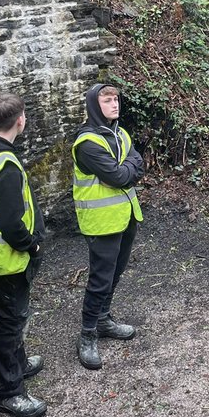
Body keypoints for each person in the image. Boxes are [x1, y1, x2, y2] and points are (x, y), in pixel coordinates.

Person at [0, 93, 47, 417]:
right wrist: (32, 245)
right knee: (9, 322)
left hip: (0, 256)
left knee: (13, 316)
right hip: (9, 258)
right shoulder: (5, 166)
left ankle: (18, 364)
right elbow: (10, 224)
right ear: (21, 120)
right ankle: (9, 391)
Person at [72, 83, 145, 371]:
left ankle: (103, 319)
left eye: (116, 99)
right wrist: (129, 169)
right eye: (107, 100)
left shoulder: (120, 133)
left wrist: (128, 169)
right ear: (94, 105)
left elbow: (137, 161)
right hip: (101, 221)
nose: (114, 104)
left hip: (126, 215)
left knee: (116, 271)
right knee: (100, 278)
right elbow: (118, 175)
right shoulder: (87, 143)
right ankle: (87, 333)